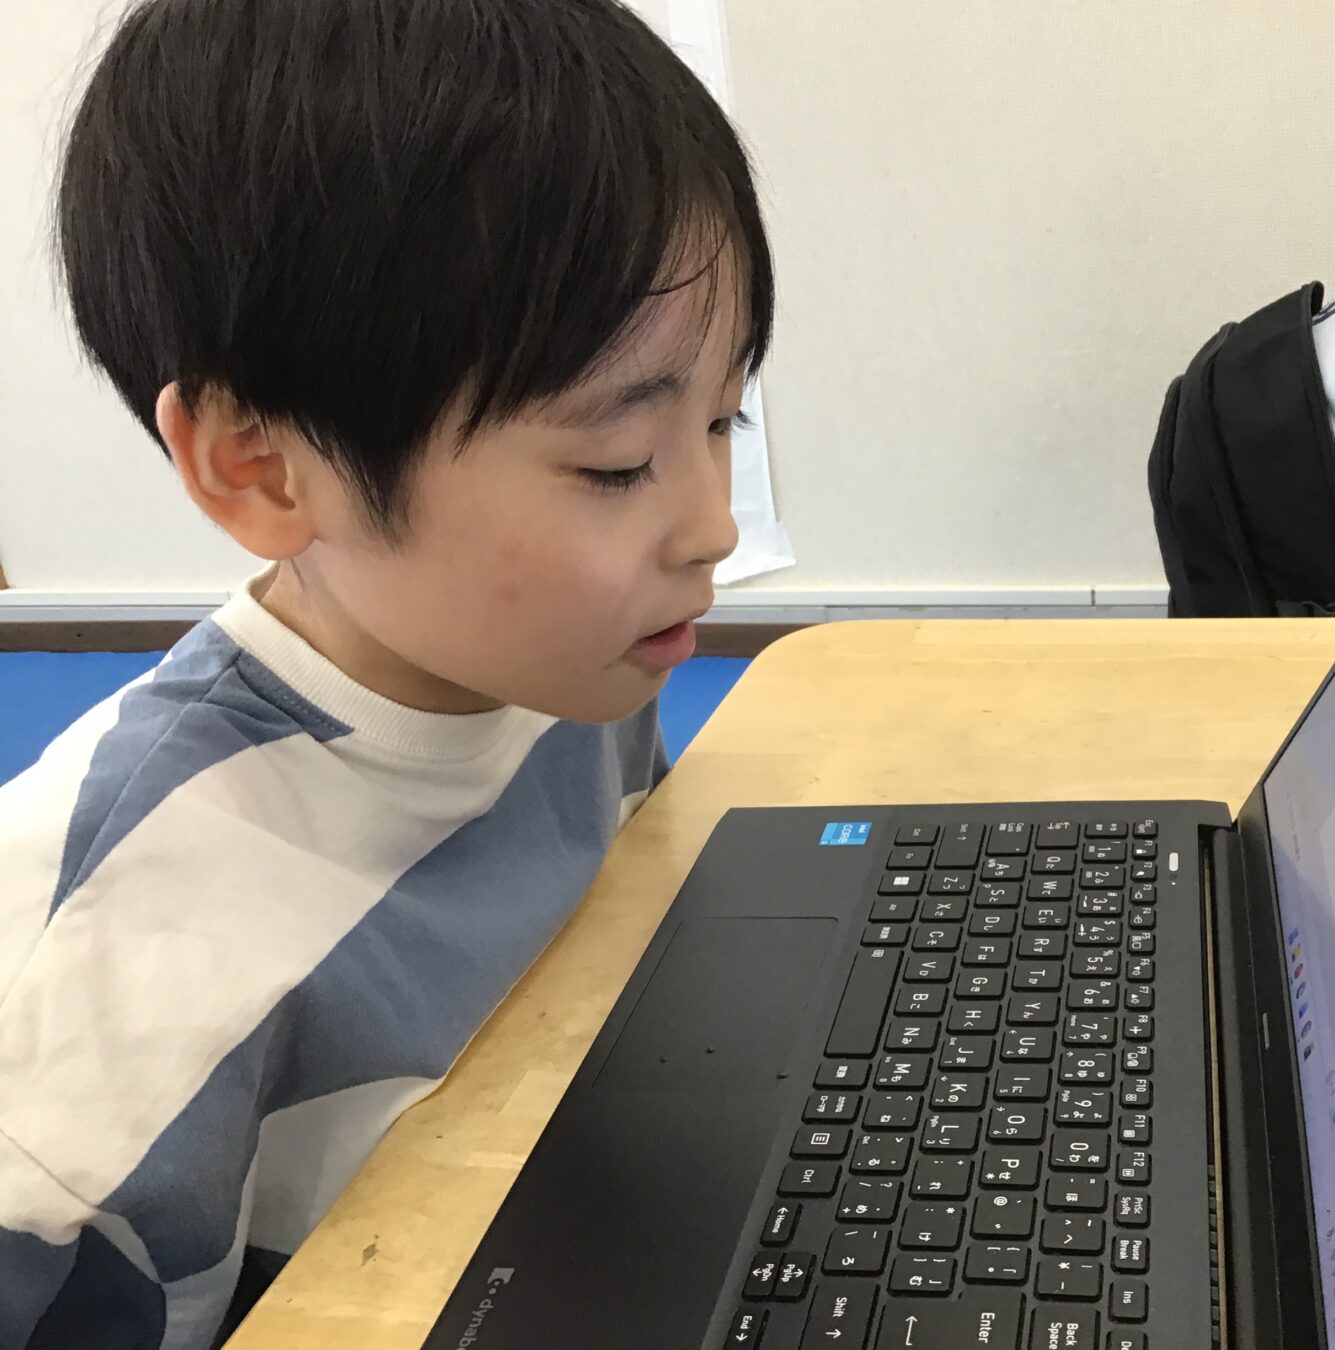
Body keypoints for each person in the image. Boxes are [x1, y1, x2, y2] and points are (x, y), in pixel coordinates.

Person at [0, 1, 772, 1344]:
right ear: (260, 466)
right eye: (617, 464)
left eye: (725, 416)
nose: (713, 526)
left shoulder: (568, 663)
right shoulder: (93, 1027)